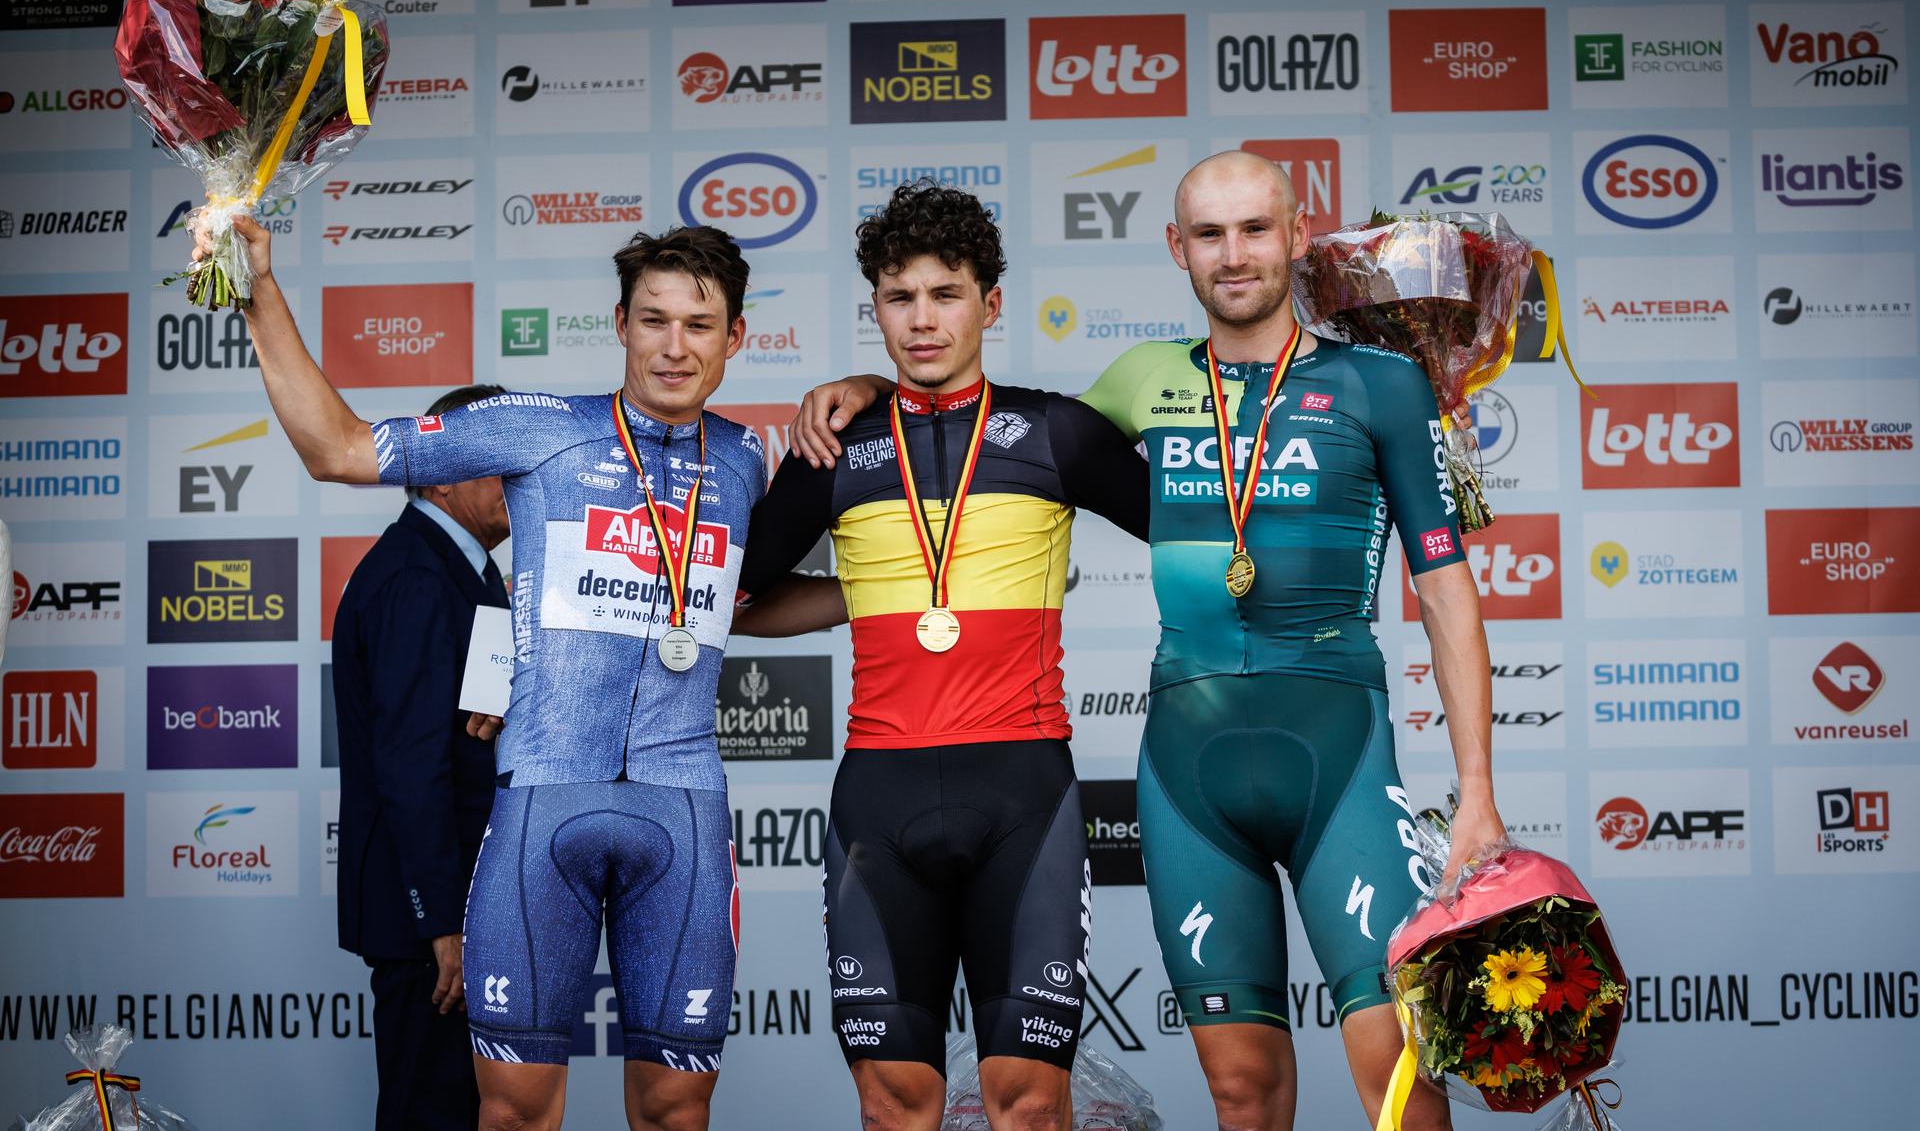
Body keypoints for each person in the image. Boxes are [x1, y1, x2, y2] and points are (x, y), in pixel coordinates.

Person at [787, 152, 1504, 1131]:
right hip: (1189, 768)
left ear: (1298, 235)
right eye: (1210, 233)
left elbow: (1447, 592)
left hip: (1337, 747)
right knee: (1241, 1087)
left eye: (1255, 229)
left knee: (1400, 1070)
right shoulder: (1141, 377)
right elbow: (992, 438)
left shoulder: (1382, 384)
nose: (1233, 253)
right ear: (1178, 247)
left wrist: (1477, 792)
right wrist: (876, 387)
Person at [192, 214, 836, 1131]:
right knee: (512, 1114)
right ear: (619, 325)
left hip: (683, 811)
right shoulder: (537, 429)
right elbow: (336, 448)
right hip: (543, 805)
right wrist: (258, 287)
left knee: (677, 1109)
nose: (674, 346)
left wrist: (877, 587)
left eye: (698, 325)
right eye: (653, 320)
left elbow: (732, 604)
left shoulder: (739, 458)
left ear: (735, 337)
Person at [736, 181, 1150, 1131]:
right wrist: (865, 593)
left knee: (1029, 1104)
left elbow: (1200, 534)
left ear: (990, 304)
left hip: (1023, 798)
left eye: (945, 293)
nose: (922, 319)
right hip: (879, 802)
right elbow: (725, 593)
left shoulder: (1057, 432)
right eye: (899, 296)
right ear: (875, 309)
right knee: (893, 1105)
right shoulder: (834, 448)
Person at [334, 382, 512, 1131]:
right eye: (500, 463)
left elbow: (469, 736)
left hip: (463, 902)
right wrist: (442, 921)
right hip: (433, 924)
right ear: (440, 476)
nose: (519, 479)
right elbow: (410, 765)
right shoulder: (416, 575)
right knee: (428, 1115)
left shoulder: (464, 567)